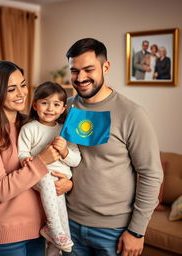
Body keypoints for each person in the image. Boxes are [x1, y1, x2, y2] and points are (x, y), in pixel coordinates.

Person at [60, 38, 163, 256]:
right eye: (74, 71)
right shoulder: (64, 107)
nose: (80, 78)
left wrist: (136, 231)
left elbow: (151, 174)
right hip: (68, 222)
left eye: (88, 69)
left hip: (114, 230)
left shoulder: (132, 114)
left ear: (105, 67)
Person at [0, 61, 62, 256]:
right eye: (11, 89)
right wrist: (41, 161)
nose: (22, 93)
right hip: (5, 238)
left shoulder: (32, 125)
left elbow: (53, 169)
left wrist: (66, 184)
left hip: (39, 230)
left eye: (23, 85)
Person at [18, 81, 81, 255]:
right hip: (38, 176)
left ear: (63, 108)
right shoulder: (29, 129)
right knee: (57, 226)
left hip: (59, 184)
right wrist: (26, 159)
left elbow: (76, 160)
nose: (50, 108)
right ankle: (51, 227)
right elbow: (21, 152)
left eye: (56, 104)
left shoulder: (66, 132)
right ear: (35, 105)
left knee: (63, 237)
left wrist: (65, 151)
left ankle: (54, 237)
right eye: (45, 103)